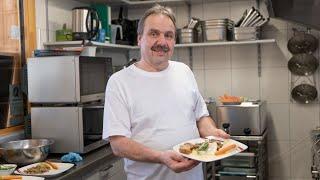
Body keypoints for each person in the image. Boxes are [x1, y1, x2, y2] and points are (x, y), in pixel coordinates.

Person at [103, 4, 229, 180]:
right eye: (154, 33)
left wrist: (212, 133)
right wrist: (160, 157)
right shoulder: (119, 82)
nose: (162, 42)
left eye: (168, 35)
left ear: (174, 41)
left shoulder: (184, 71)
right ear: (139, 39)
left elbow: (201, 117)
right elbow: (118, 144)